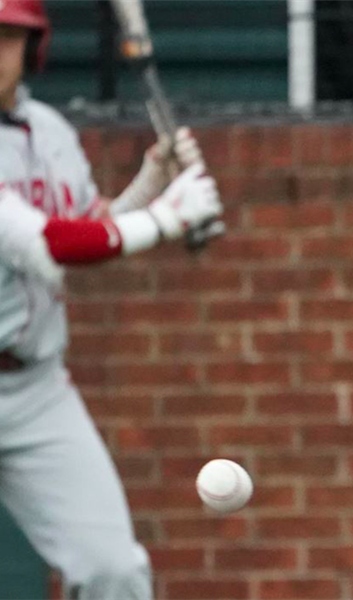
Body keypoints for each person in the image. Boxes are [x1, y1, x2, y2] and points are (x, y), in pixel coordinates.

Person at [0, 1, 221, 598]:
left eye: (4, 37)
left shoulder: (49, 132)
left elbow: (86, 228)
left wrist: (150, 184)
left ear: (32, 46)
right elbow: (49, 246)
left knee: (113, 573)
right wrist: (167, 216)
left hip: (33, 388)